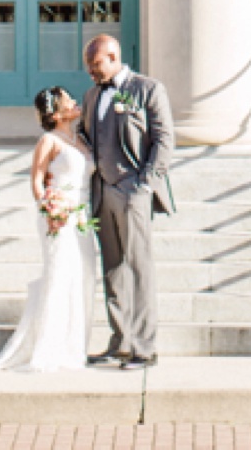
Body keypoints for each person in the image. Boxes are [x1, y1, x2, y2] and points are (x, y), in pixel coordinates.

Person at [0, 86, 94, 373]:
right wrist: (49, 208)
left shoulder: (79, 139)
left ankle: (73, 346)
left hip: (83, 217)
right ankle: (49, 349)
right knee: (59, 277)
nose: (76, 102)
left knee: (83, 277)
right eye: (70, 101)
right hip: (59, 217)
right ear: (56, 112)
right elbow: (37, 181)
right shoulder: (49, 141)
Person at [80, 33, 174, 369]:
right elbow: (86, 137)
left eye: (95, 65)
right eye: (88, 67)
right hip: (102, 191)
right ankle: (119, 341)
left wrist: (145, 185)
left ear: (113, 56)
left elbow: (164, 140)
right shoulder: (92, 95)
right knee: (113, 268)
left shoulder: (147, 89)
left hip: (133, 190)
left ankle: (144, 347)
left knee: (139, 268)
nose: (91, 72)